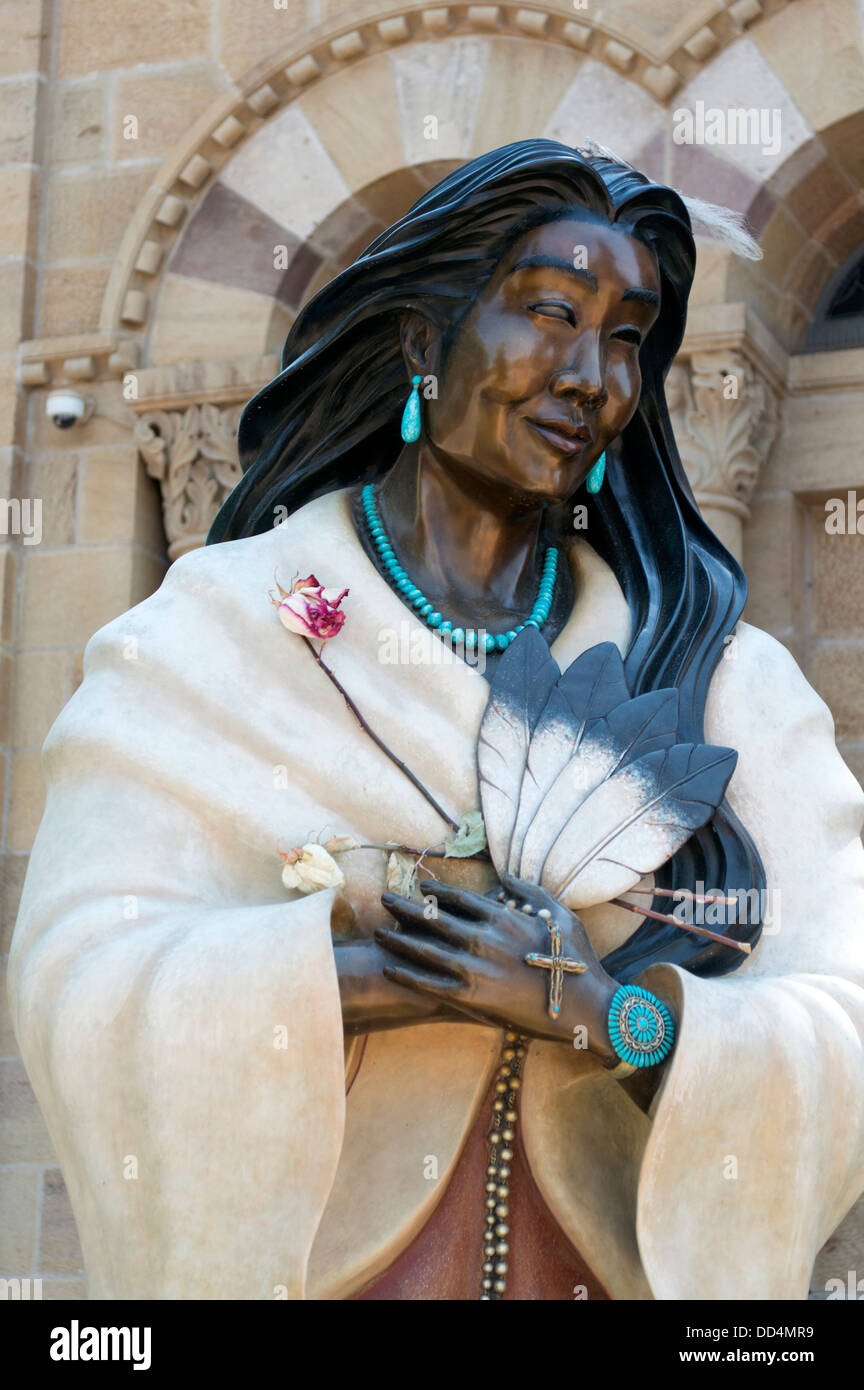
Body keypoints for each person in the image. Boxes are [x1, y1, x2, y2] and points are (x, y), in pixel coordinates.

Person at [9, 140, 864, 1300]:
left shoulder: (724, 683)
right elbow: (82, 971)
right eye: (551, 313)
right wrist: (372, 965)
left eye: (626, 337)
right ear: (423, 339)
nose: (588, 375)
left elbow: (844, 1019)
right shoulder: (214, 634)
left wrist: (607, 1012)